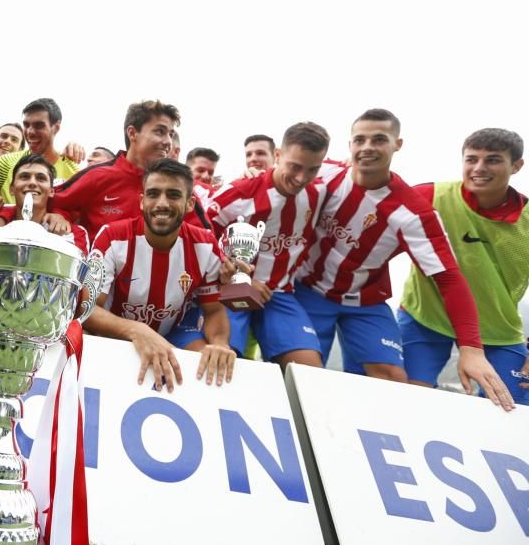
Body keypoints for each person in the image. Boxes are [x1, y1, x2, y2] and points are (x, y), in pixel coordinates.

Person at [294, 109, 514, 410]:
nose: (368, 146)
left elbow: (449, 278)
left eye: (379, 139)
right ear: (350, 145)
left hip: (364, 302)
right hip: (309, 289)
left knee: (393, 383)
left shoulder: (413, 212)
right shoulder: (322, 174)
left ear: (397, 144)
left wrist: (471, 349)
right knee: (300, 370)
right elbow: (272, 187)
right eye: (360, 139)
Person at [396, 128, 528, 405]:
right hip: (425, 318)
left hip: (497, 330)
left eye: (492, 160)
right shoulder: (431, 196)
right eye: (471, 159)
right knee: (404, 399)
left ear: (516, 166)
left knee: (511, 408)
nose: (479, 168)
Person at [86, 159, 236, 392]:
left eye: (174, 195)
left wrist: (220, 344)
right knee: (83, 337)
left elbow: (214, 309)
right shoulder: (113, 237)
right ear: (142, 201)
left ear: (189, 204)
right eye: (153, 194)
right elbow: (87, 309)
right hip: (115, 332)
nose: (162, 203)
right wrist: (137, 330)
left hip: (173, 332)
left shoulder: (205, 244)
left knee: (209, 363)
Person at [190, 122, 331, 368]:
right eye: (295, 167)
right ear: (278, 155)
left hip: (279, 294)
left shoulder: (318, 192)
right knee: (221, 363)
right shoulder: (239, 192)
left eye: (312, 169)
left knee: (310, 371)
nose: (301, 178)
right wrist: (232, 267)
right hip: (231, 290)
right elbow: (197, 232)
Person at [51, 100, 210, 241]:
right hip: (99, 272)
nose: (168, 141)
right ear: (132, 133)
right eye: (160, 131)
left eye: (170, 134)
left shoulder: (179, 187)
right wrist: (59, 216)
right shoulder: (98, 175)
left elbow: (206, 238)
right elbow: (55, 202)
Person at [0, 153, 89, 253]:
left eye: (41, 178)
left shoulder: (74, 233)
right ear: (12, 189)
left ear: (51, 191)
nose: (32, 183)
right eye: (25, 177)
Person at [0, 99, 79, 203]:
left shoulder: (74, 173)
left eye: (39, 125)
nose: (30, 132)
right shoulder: (4, 163)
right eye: (26, 125)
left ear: (56, 128)